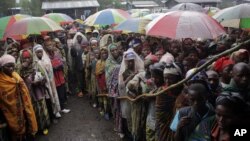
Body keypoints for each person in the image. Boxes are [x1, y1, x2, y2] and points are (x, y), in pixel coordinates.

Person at [0, 54, 38, 140]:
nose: (11, 69)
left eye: (12, 66)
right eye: (8, 66)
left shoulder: (16, 76)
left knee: (27, 128)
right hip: (9, 113)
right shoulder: (1, 81)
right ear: (2, 67)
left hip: (23, 108)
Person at [18, 49, 50, 135]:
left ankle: (44, 126)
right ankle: (36, 127)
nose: (27, 60)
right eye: (24, 58)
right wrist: (21, 67)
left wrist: (39, 81)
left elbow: (44, 76)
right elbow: (17, 81)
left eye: (28, 58)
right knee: (33, 110)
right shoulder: (20, 69)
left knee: (42, 108)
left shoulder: (36, 64)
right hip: (28, 94)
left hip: (38, 91)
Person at [173, 76, 214, 141]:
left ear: (206, 97)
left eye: (200, 99)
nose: (196, 103)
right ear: (188, 98)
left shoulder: (213, 114)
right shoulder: (182, 113)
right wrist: (179, 127)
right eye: (192, 100)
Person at [120, 49, 144, 141]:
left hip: (138, 96)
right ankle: (130, 133)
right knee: (129, 115)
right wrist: (131, 76)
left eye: (132, 61)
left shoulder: (139, 69)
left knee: (138, 116)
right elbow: (122, 85)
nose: (131, 63)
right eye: (128, 61)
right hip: (128, 96)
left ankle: (136, 134)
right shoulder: (124, 71)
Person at [33, 44, 61, 121]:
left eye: (41, 52)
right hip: (43, 84)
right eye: (38, 52)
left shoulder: (46, 59)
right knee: (47, 99)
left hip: (50, 80)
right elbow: (35, 72)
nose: (40, 54)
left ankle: (56, 111)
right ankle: (51, 115)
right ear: (35, 53)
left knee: (54, 95)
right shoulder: (35, 62)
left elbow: (50, 69)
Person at [155, 63, 183, 141]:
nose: (167, 81)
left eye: (170, 78)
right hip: (164, 124)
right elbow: (160, 113)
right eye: (165, 78)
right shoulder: (161, 92)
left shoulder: (184, 91)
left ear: (178, 78)